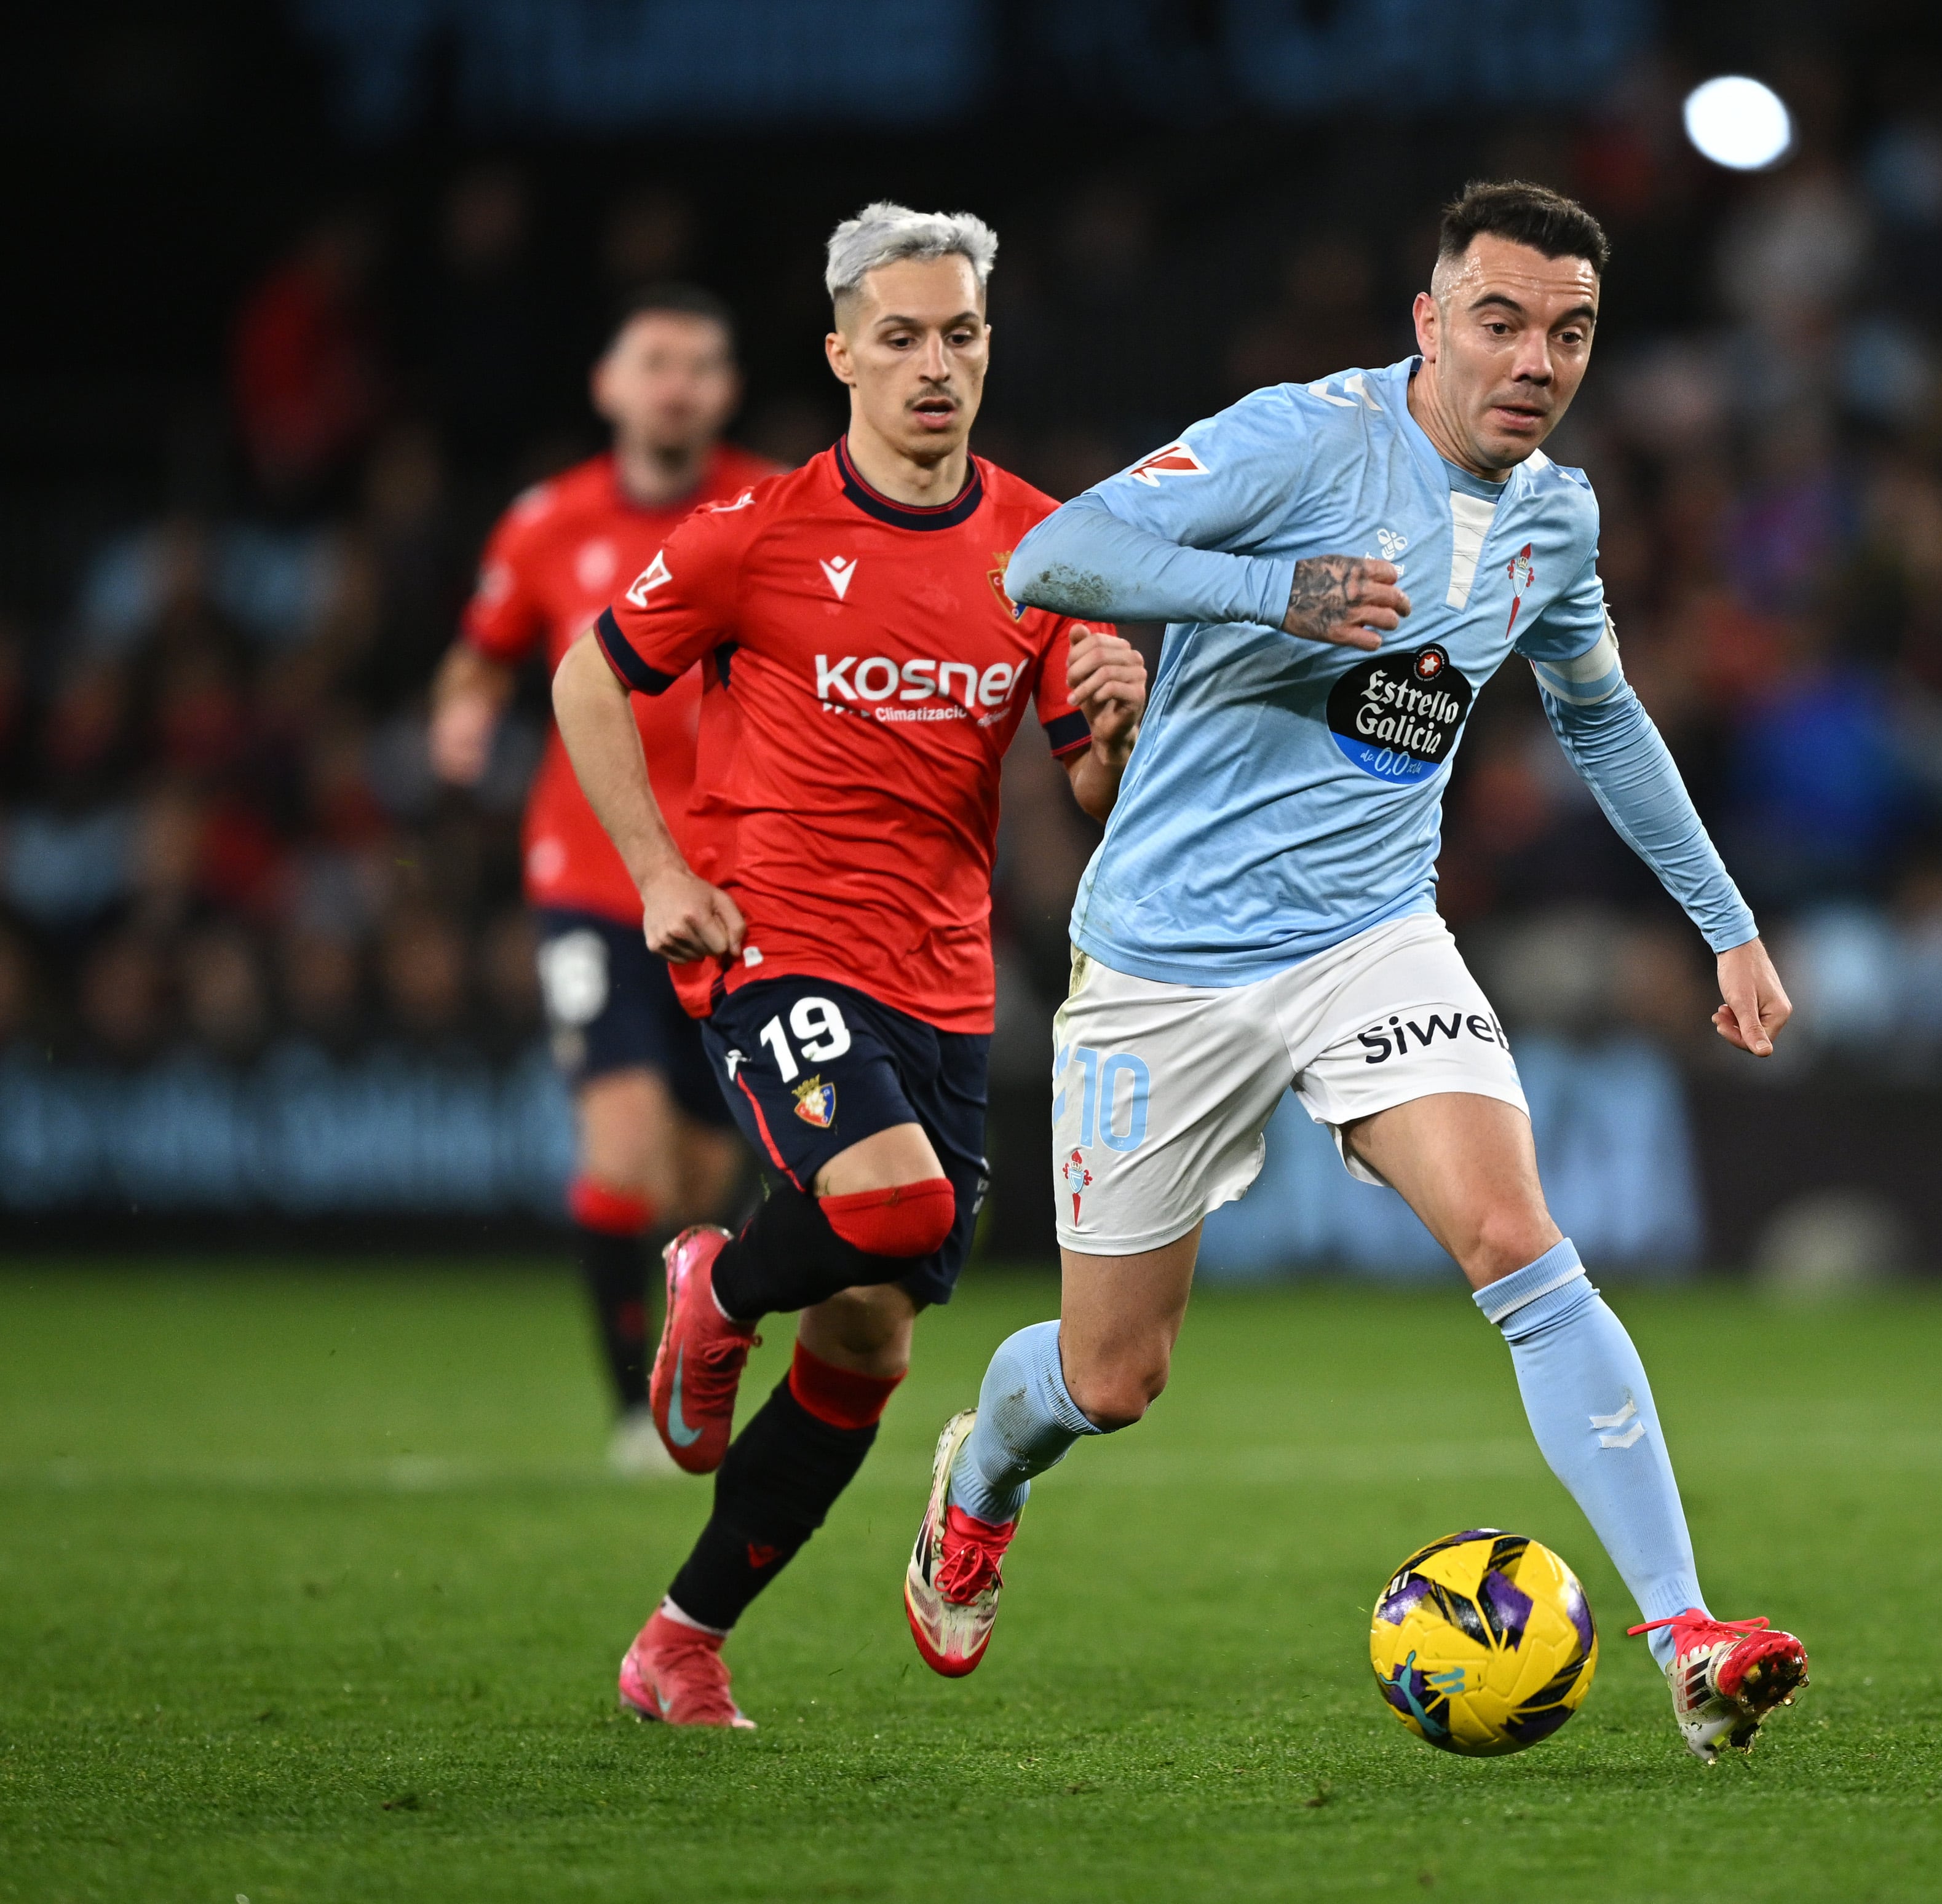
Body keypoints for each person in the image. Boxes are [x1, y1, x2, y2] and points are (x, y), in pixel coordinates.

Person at [906, 181, 1809, 1763]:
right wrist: (1278, 591)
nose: (1535, 360)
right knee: (1112, 1377)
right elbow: (1051, 554)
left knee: (1521, 1242)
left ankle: (1686, 1638)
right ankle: (980, 1474)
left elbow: (1599, 713)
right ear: (1430, 323)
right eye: (1501, 322)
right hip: (1168, 959)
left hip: (1372, 939)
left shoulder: (1557, 519)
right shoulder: (1302, 441)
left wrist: (1723, 920)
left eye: (1571, 332)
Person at [550, 202, 1145, 1728]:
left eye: (960, 335)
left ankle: (681, 1638)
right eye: (902, 338)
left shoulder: (1045, 547)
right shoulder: (757, 534)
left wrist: (1117, 723)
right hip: (776, 948)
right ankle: (717, 1280)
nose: (935, 366)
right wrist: (661, 871)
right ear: (842, 356)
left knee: (869, 1339)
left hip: (943, 982)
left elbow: (1088, 787)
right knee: (898, 1205)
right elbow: (589, 677)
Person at [430, 285, 775, 1475]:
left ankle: (684, 1360)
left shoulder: (770, 510)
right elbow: (479, 661)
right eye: (655, 362)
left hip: (729, 877)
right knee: (621, 1144)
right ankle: (635, 1410)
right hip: (587, 876)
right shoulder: (545, 524)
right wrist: (463, 717)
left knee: (701, 1174)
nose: (676, 385)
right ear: (610, 387)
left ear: (725, 391)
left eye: (699, 365)